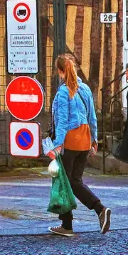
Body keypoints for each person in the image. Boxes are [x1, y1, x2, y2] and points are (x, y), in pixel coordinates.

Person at [47, 52, 110, 237]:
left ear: (60, 71)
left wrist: (57, 145)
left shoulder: (63, 92)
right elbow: (92, 117)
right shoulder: (85, 89)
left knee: (64, 183)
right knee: (74, 182)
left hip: (70, 142)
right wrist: (94, 139)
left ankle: (70, 224)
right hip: (84, 141)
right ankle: (98, 211)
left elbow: (63, 122)